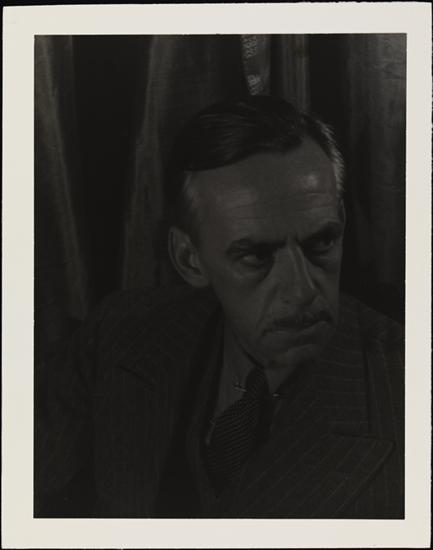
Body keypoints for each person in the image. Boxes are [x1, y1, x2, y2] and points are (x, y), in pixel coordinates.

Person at [34, 96, 404, 519]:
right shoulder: (120, 331)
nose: (302, 290)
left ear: (341, 223)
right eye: (256, 256)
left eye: (321, 242)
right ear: (189, 259)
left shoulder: (406, 391)